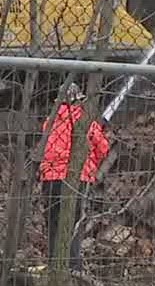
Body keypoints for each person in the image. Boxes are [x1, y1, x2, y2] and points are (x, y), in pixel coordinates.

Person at [39, 82, 110, 266]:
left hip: (51, 178)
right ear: (78, 100)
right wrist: (91, 161)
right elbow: (103, 148)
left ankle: (55, 265)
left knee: (54, 222)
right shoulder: (85, 121)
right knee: (74, 225)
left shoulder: (50, 121)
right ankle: (73, 267)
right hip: (77, 178)